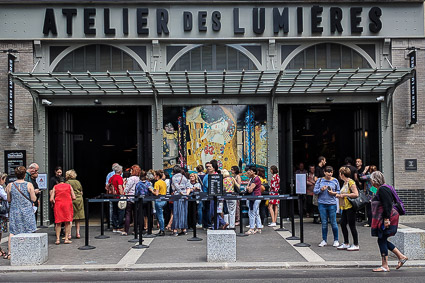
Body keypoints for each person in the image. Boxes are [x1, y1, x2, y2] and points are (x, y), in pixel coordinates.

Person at [370, 171, 408, 272]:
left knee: (381, 239)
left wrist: (386, 220)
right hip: (387, 217)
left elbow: (387, 205)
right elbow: (374, 194)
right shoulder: (382, 188)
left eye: (371, 180)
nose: (370, 182)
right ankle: (401, 257)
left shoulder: (383, 189)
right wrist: (370, 188)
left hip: (388, 217)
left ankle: (385, 265)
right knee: (382, 239)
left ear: (375, 180)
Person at [4, 166, 38, 260]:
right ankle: (30, 252)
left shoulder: (10, 185)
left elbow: (9, 199)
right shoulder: (29, 185)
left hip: (15, 211)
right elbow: (33, 198)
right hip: (27, 211)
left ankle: (10, 253)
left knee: (13, 232)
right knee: (29, 230)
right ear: (24, 175)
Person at [314, 166, 340, 247]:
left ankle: (336, 240)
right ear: (324, 172)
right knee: (324, 222)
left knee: (333, 222)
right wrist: (321, 190)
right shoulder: (320, 180)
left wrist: (333, 193)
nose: (329, 173)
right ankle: (324, 240)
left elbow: (339, 191)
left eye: (331, 172)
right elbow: (315, 191)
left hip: (332, 203)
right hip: (322, 203)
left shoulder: (335, 180)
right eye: (328, 172)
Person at [336, 166, 359, 251]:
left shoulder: (351, 182)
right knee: (342, 223)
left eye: (340, 173)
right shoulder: (345, 182)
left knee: (352, 225)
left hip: (350, 207)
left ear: (342, 174)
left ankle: (356, 244)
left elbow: (356, 194)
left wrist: (345, 195)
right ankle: (346, 243)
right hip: (344, 207)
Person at [51, 176, 76, 244]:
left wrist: (55, 201)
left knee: (58, 223)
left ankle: (58, 239)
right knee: (67, 222)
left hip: (58, 205)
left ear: (58, 181)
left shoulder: (55, 187)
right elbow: (74, 197)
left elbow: (51, 199)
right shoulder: (69, 186)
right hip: (67, 205)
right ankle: (66, 239)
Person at [170, 165, 190, 236]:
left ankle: (175, 229)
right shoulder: (184, 177)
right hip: (185, 196)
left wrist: (181, 193)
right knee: (184, 212)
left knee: (176, 212)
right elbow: (188, 187)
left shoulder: (174, 177)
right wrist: (186, 194)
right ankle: (184, 229)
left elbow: (176, 187)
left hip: (177, 195)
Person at [65, 169, 84, 239]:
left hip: (71, 200)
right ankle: (78, 233)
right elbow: (81, 191)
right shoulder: (78, 182)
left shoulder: (67, 182)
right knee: (77, 218)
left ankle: (69, 234)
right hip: (79, 200)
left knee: (70, 218)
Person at [123, 164, 141, 236]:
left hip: (130, 197)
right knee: (136, 214)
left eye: (131, 170)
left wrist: (124, 185)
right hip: (136, 198)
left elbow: (127, 189)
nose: (130, 171)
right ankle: (135, 230)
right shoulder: (138, 178)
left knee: (128, 214)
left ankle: (126, 230)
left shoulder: (130, 179)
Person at [245, 167, 263, 235]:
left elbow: (250, 189)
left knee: (252, 212)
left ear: (254, 172)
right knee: (256, 212)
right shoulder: (252, 179)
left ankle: (252, 228)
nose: (249, 172)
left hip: (254, 197)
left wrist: (248, 188)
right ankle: (259, 227)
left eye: (250, 171)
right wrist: (248, 187)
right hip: (256, 197)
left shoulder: (256, 179)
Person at [109, 165, 125, 233]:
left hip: (113, 196)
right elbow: (119, 187)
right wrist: (122, 195)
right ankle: (120, 226)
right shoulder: (119, 178)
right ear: (120, 171)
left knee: (114, 211)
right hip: (118, 196)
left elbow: (107, 186)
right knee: (121, 211)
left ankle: (115, 226)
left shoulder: (112, 177)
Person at [154, 170, 167, 236]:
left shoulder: (157, 183)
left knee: (160, 215)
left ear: (158, 176)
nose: (154, 177)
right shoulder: (164, 182)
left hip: (159, 200)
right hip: (164, 200)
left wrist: (151, 190)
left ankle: (162, 229)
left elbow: (156, 193)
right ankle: (162, 229)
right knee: (161, 215)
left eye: (155, 175)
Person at [0, 173, 9, 258]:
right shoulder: (0, 188)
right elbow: (6, 197)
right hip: (1, 213)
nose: (4, 181)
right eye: (4, 179)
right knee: (0, 231)